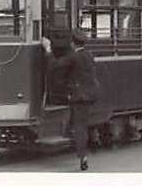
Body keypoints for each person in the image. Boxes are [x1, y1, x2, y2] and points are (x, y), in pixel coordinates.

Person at [42, 29, 100, 171]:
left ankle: (83, 156)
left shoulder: (74, 57)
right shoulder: (88, 55)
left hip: (79, 96)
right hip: (90, 94)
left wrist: (48, 49)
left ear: (73, 43)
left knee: (79, 126)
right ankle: (87, 141)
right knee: (81, 123)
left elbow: (54, 65)